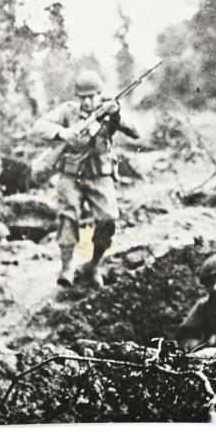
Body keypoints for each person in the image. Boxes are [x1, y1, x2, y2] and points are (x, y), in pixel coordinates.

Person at [32, 69, 139, 287]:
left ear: (100, 94)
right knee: (67, 217)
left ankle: (94, 265)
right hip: (71, 175)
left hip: (100, 175)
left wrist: (117, 115)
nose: (88, 102)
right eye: (83, 97)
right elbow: (39, 126)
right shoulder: (68, 112)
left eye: (92, 96)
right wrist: (63, 133)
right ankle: (67, 265)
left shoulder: (110, 111)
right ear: (77, 97)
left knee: (108, 221)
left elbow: (137, 132)